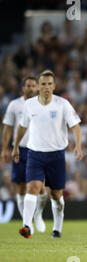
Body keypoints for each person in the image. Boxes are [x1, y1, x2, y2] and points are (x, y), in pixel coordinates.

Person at [12, 70, 83, 239]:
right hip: (35, 154)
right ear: (38, 86)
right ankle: (27, 226)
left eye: (49, 84)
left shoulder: (62, 104)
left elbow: (75, 126)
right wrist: (15, 147)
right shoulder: (30, 105)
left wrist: (78, 145)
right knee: (33, 188)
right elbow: (22, 126)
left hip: (56, 156)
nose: (46, 87)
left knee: (56, 195)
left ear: (54, 86)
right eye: (43, 84)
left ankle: (57, 229)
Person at [1, 76, 48, 234]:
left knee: (40, 187)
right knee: (21, 188)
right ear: (23, 88)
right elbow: (8, 128)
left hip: (38, 149)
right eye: (28, 85)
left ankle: (38, 215)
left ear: (37, 88)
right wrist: (5, 148)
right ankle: (26, 222)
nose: (30, 88)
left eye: (33, 85)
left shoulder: (43, 105)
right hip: (20, 149)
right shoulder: (15, 105)